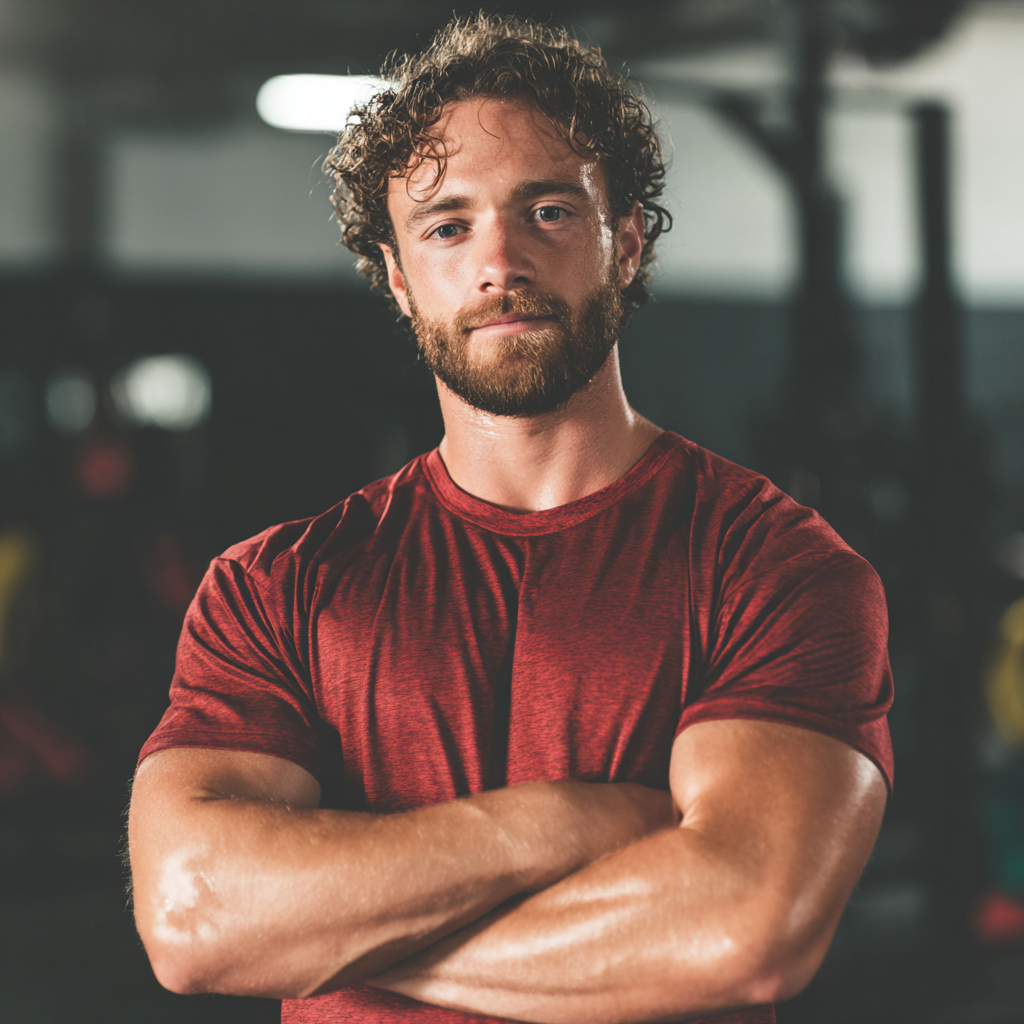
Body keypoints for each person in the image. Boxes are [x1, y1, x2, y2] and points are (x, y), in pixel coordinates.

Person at [128, 14, 892, 1024]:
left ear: (624, 245)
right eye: (448, 226)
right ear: (399, 279)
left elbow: (741, 931)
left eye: (547, 213)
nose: (499, 262)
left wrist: (328, 941)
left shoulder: (776, 570)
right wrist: (562, 821)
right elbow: (191, 921)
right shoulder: (274, 588)